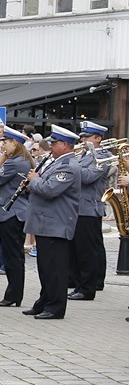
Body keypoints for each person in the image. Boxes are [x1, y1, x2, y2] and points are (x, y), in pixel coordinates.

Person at [22, 126, 81, 319]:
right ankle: (44, 301)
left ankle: (55, 307)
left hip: (56, 224)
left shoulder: (68, 166)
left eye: (54, 143)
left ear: (65, 145)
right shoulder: (55, 162)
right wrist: (31, 185)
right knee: (46, 268)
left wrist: (34, 180)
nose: (51, 146)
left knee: (55, 269)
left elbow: (50, 189)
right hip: (46, 223)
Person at [68, 120, 111, 301]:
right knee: (77, 250)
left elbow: (87, 177)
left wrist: (69, 162)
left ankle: (88, 288)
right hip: (77, 208)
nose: (84, 140)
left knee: (87, 251)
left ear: (98, 138)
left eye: (88, 137)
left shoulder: (103, 157)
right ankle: (78, 284)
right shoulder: (82, 156)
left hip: (89, 208)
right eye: (83, 137)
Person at [0, 126, 33, 307]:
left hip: (11, 213)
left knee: (11, 256)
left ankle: (13, 294)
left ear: (15, 143)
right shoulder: (24, 161)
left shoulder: (13, 162)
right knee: (16, 255)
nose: (3, 147)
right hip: (18, 211)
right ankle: (15, 294)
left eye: (6, 143)